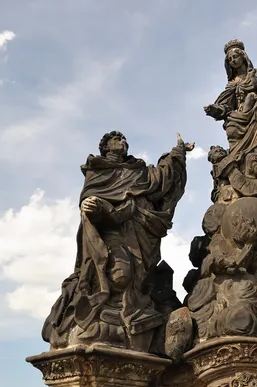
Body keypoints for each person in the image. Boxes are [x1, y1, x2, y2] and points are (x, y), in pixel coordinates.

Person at [42, 131, 194, 351]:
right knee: (121, 273)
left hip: (140, 230)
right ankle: (107, 310)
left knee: (140, 275)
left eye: (124, 140)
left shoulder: (137, 170)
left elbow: (162, 178)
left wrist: (178, 151)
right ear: (106, 146)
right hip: (111, 229)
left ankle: (129, 314)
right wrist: (88, 206)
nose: (122, 142)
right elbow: (90, 197)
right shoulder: (99, 170)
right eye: (117, 139)